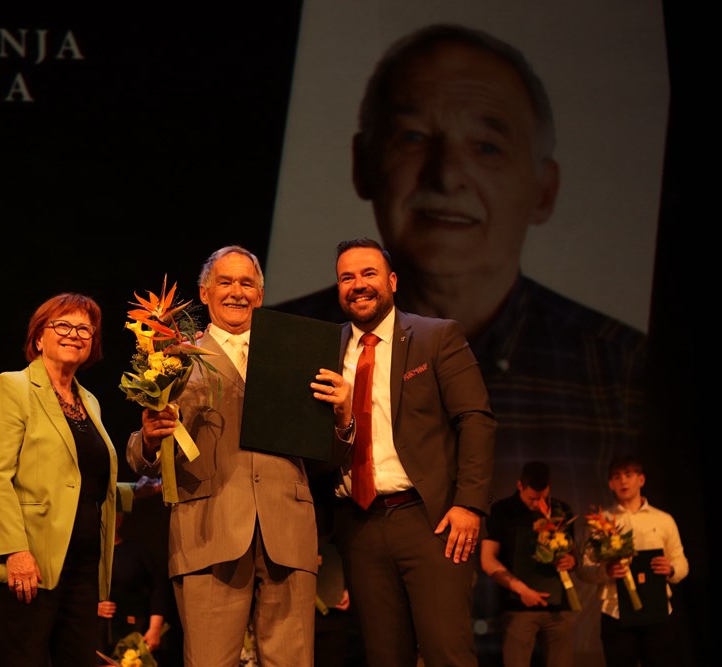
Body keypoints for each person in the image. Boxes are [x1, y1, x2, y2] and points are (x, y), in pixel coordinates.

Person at [273, 22, 646, 534]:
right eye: (412, 137)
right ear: (363, 163)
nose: (446, 175)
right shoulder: (295, 339)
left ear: (544, 188)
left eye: (487, 147)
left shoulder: (623, 365)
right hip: (349, 547)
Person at [128, 245, 318, 667]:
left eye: (247, 283)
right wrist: (149, 438)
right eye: (225, 282)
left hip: (287, 528)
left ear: (260, 295)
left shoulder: (292, 353)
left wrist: (340, 417)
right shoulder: (173, 357)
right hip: (208, 529)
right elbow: (140, 454)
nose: (237, 292)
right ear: (205, 292)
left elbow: (324, 443)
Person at [311, 237, 495, 667]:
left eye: (368, 274)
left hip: (431, 522)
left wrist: (469, 504)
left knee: (446, 653)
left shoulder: (436, 336)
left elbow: (476, 420)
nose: (358, 285)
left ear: (392, 281)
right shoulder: (324, 348)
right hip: (358, 524)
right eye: (347, 277)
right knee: (384, 656)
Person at [0, 292, 133, 667]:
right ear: (38, 338)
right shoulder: (13, 387)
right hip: (30, 560)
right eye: (62, 325)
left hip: (83, 564)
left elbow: (80, 481)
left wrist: (141, 490)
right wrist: (15, 551)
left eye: (85, 329)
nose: (74, 334)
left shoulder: (89, 401)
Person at [578, 456, 688, 667]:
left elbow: (681, 562)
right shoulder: (600, 523)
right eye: (617, 477)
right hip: (616, 613)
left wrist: (671, 569)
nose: (623, 481)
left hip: (657, 612)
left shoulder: (663, 519)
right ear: (610, 484)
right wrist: (606, 571)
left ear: (641, 480)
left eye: (629, 475)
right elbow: (584, 569)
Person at [480, 461, 578, 667]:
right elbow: (487, 560)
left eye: (543, 497)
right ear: (520, 486)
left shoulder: (562, 510)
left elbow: (575, 554)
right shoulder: (502, 511)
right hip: (518, 604)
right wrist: (522, 590)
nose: (538, 504)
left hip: (558, 605)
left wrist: (571, 560)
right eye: (532, 498)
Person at [96, 510, 169, 660]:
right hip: (94, 635)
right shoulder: (89, 556)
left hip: (131, 632)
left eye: (116, 515)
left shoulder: (135, 551)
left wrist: (155, 628)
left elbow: (157, 588)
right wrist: (93, 608)